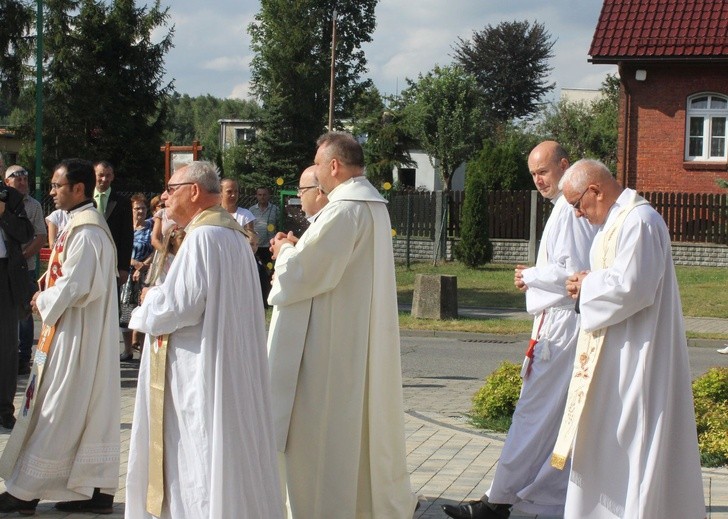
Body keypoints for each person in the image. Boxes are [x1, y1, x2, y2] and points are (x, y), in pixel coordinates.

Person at [442, 142, 597, 519]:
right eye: (533, 174)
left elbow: (574, 273)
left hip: (561, 324)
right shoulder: (564, 207)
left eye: (543, 171)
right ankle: (533, 496)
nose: (538, 180)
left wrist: (529, 274)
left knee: (532, 414)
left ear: (564, 165)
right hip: (558, 321)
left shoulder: (569, 209)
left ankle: (500, 499)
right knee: (550, 417)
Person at [267, 132, 416, 518]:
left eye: (317, 164)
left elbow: (302, 274)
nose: (315, 173)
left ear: (333, 165)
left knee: (320, 443)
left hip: (328, 350)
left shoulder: (343, 209)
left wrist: (285, 251)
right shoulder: (371, 206)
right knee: (354, 438)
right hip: (351, 339)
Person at [124, 161, 282, 518]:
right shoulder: (233, 236)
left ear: (193, 191)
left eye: (170, 188)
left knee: (196, 453)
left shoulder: (203, 237)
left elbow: (181, 305)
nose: (164, 197)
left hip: (199, 372)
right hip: (224, 365)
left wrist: (147, 303)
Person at [557, 159, 705, 518]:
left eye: (577, 204)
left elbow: (634, 287)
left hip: (637, 353)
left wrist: (587, 285)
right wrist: (589, 280)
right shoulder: (615, 222)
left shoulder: (640, 221)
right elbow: (619, 275)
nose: (577, 214)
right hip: (613, 349)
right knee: (601, 439)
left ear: (595, 190)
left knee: (629, 440)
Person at [0, 158, 120, 515]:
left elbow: (78, 285)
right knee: (90, 408)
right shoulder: (81, 224)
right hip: (75, 330)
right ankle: (97, 490)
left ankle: (25, 492)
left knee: (57, 406)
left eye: (56, 185)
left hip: (75, 334)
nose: (50, 191)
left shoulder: (87, 230)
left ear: (78, 189)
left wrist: (43, 297)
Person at [4, 165, 47, 376]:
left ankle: (23, 359)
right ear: (7, 182)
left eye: (25, 178)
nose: (22, 182)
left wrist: (21, 257)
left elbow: (40, 236)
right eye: (17, 178)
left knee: (25, 314)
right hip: (5, 267)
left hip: (25, 268)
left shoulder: (34, 205)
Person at [0, 179, 33, 431]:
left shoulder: (10, 197)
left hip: (4, 276)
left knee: (7, 347)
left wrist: (4, 214)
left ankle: (4, 410)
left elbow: (26, 233)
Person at [120, 193, 154, 361]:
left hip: (145, 275)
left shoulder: (151, 227)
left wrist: (143, 265)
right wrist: (134, 263)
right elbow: (119, 249)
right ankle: (127, 350)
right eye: (136, 208)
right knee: (126, 312)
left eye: (143, 208)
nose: (140, 211)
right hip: (127, 275)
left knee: (143, 310)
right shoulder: (125, 228)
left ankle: (142, 350)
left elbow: (156, 250)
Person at [94, 160, 133, 284]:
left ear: (113, 177)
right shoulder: (84, 200)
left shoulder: (123, 203)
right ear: (93, 175)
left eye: (108, 175)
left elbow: (127, 236)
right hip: (90, 260)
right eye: (101, 175)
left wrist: (124, 268)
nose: (104, 179)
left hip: (112, 263)